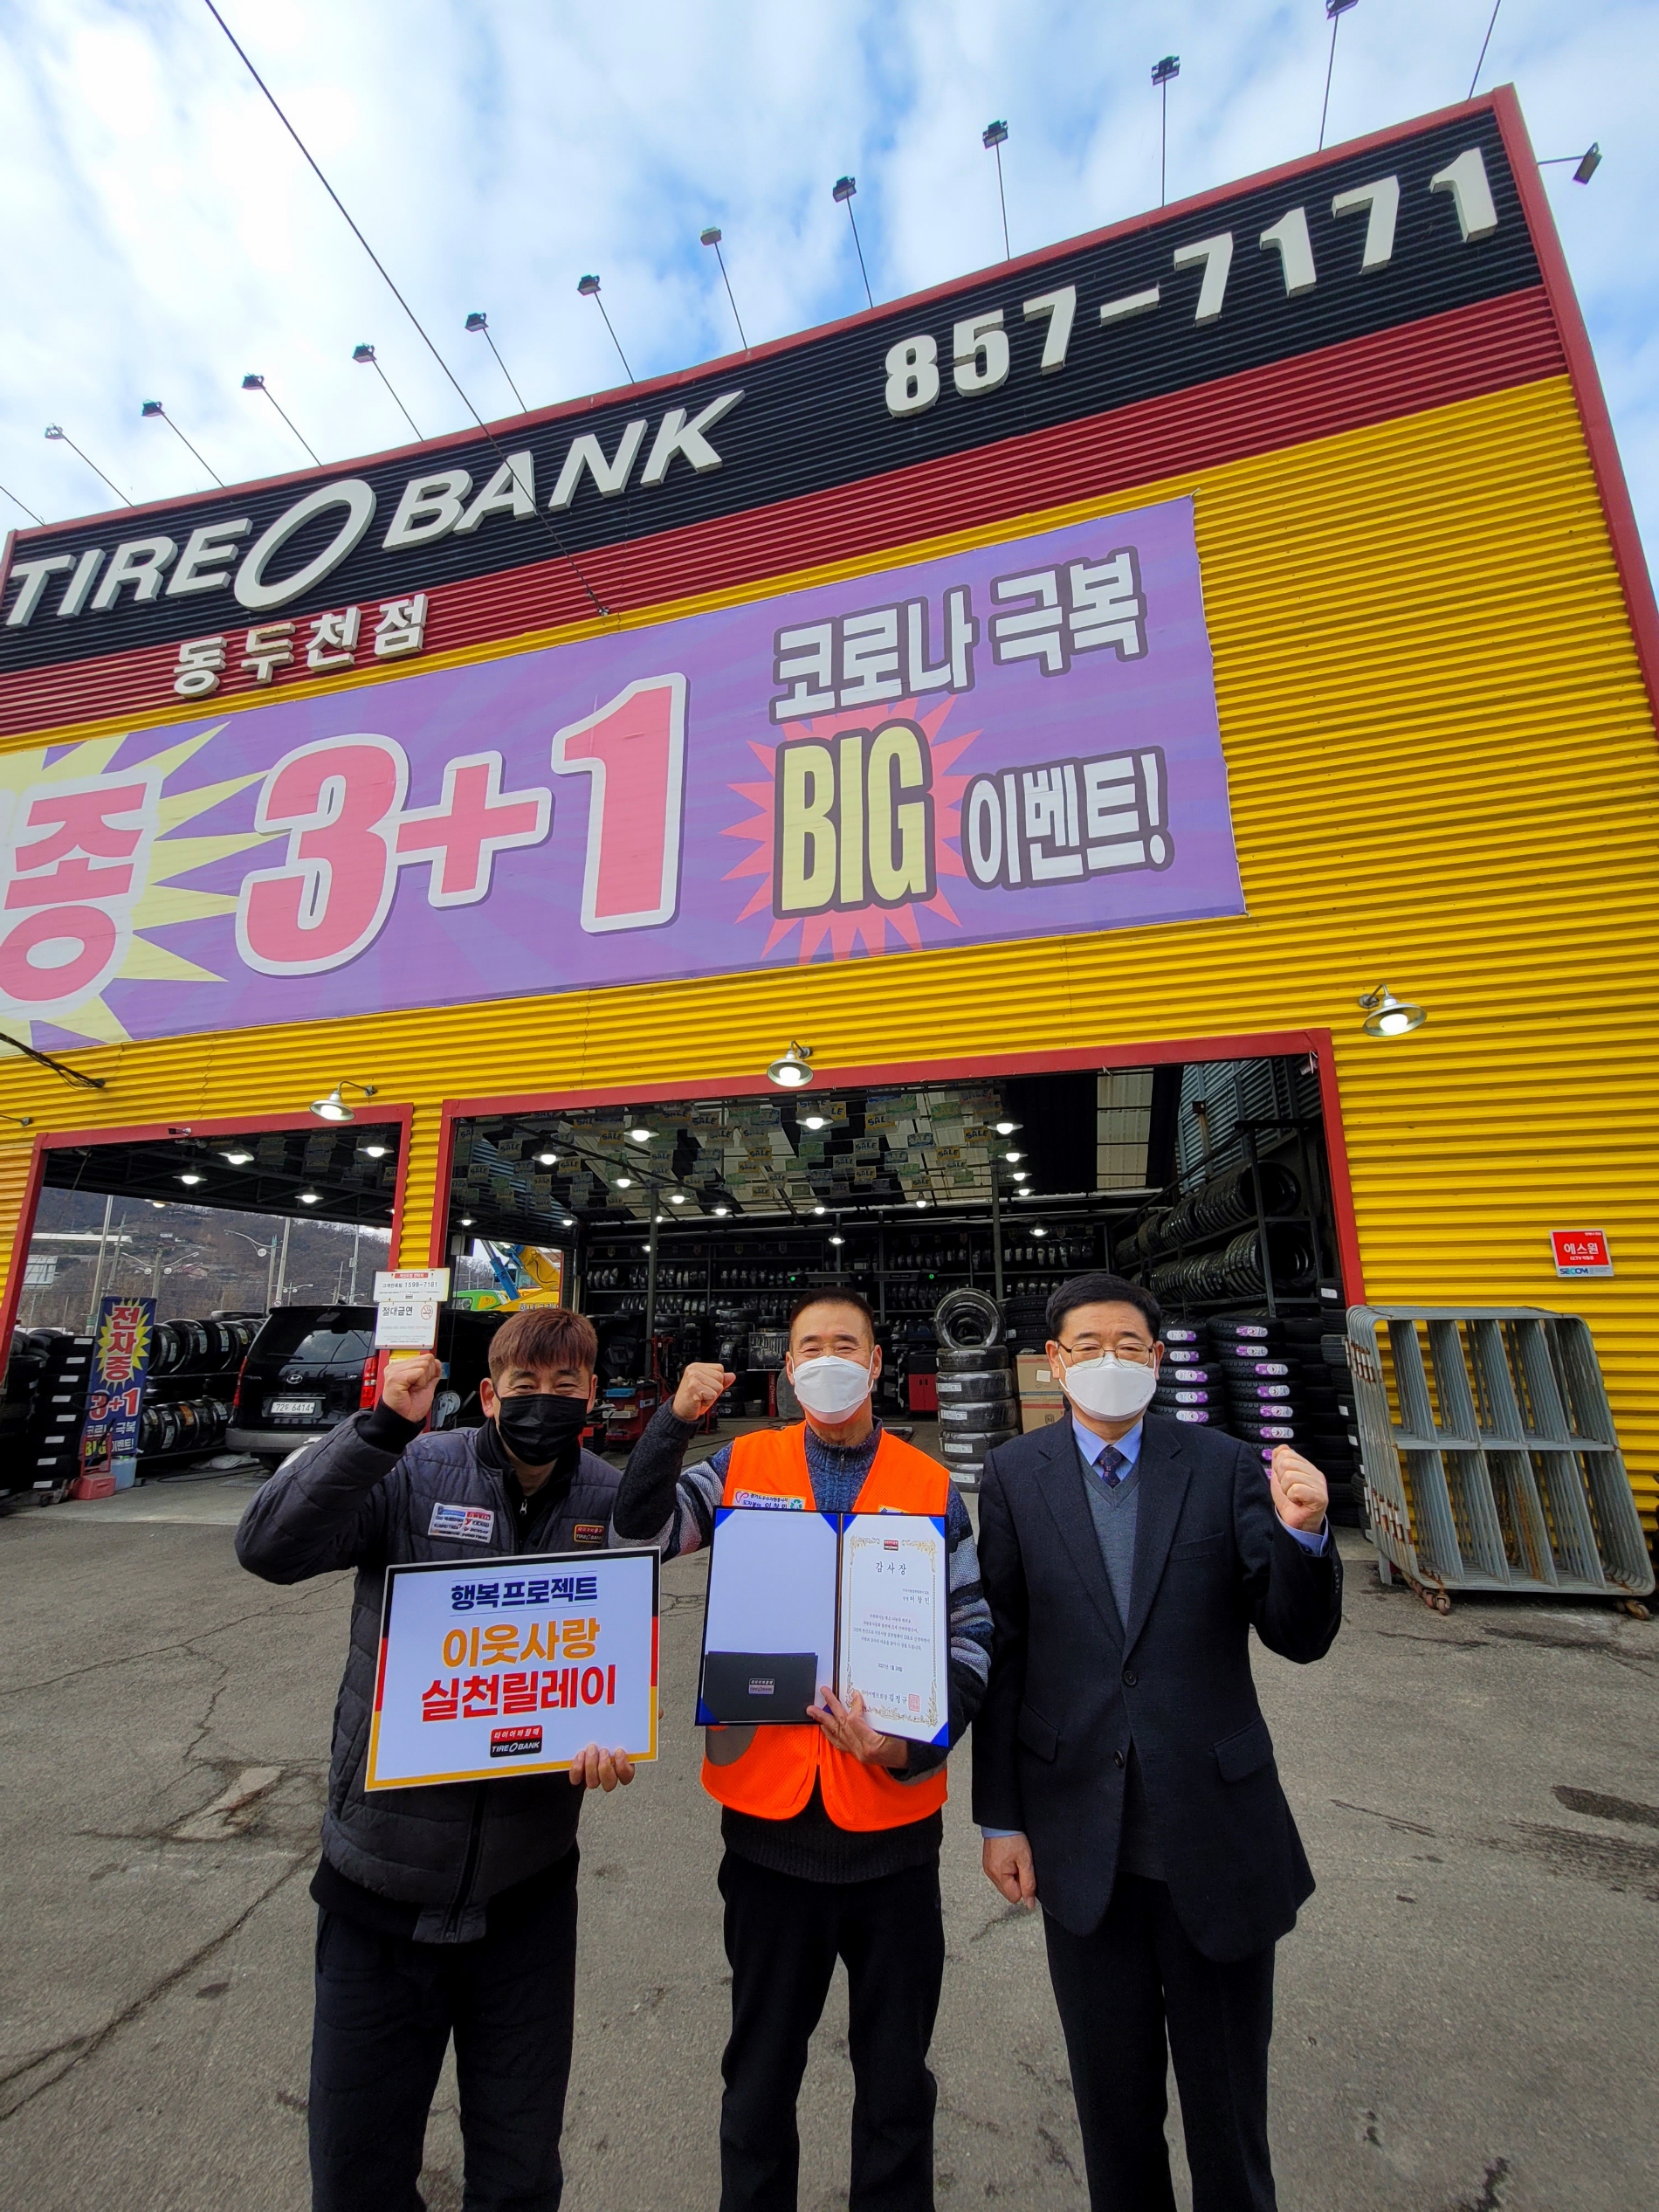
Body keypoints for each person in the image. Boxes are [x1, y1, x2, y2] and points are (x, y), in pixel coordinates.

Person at [237, 1305, 637, 2212]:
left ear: (592, 1395)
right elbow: (268, 1548)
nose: (545, 1401)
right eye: (524, 1385)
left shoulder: (609, 1498)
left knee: (519, 2173)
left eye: (565, 1383)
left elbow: (615, 1655)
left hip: (526, 1896)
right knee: (357, 2174)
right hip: (377, 1886)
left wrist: (614, 1732)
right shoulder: (412, 1468)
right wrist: (377, 1426)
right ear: (488, 1394)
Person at [613, 1290, 991, 2212]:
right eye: (808, 1346)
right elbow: (640, 1531)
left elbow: (972, 1631)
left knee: (897, 2087)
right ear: (786, 1370)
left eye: (845, 1344)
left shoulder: (928, 1484)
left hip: (892, 1837)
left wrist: (911, 1744)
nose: (828, 1358)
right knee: (757, 2084)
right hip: (769, 1832)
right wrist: (672, 1422)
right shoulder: (740, 1464)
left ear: (875, 1363)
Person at [972, 1271, 1342, 2212]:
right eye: (1086, 1344)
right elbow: (1005, 1652)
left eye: (1129, 1344)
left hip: (1213, 1837)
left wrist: (1305, 1537)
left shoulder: (1220, 1464)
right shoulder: (1016, 1475)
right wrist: (999, 1818)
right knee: (1113, 2114)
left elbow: (1295, 1635)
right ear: (1052, 1363)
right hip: (1078, 1842)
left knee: (1228, 2124)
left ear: (1158, 1357)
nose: (1109, 1360)